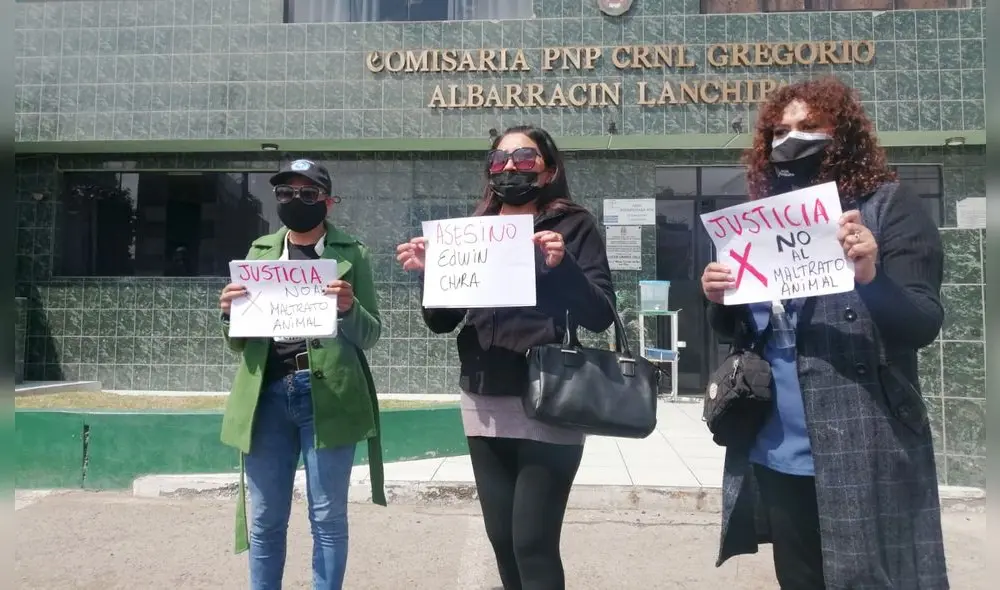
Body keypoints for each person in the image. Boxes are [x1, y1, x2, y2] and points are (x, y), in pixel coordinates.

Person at [703, 77, 948, 589]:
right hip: (776, 442)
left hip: (865, 438)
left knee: (874, 579)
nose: (791, 139)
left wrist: (871, 278)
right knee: (799, 578)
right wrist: (720, 298)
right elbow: (746, 330)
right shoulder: (759, 222)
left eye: (809, 126)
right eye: (780, 130)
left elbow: (922, 323)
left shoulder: (888, 207)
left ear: (843, 134)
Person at [395, 125, 616, 590]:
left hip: (549, 398)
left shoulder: (574, 226)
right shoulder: (471, 234)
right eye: (499, 161)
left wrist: (563, 267)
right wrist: (430, 276)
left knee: (532, 543)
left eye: (524, 158)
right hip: (483, 398)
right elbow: (441, 322)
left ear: (549, 168)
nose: (510, 167)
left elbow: (600, 315)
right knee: (501, 540)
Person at [218, 158, 386, 590]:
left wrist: (349, 309)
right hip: (266, 397)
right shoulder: (258, 253)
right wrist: (227, 314)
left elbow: (370, 335)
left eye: (308, 193)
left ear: (327, 201)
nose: (296, 200)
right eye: (286, 193)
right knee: (265, 518)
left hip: (328, 397)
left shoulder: (352, 254)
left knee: (328, 517)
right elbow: (239, 341)